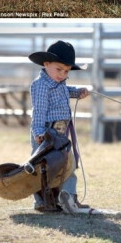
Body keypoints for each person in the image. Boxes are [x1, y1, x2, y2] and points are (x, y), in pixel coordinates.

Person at [28, 39, 93, 214]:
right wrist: (39, 132)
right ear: (46, 63)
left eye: (66, 71)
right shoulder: (40, 86)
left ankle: (67, 197)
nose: (62, 74)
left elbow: (65, 90)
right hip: (46, 132)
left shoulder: (58, 82)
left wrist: (78, 91)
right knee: (43, 167)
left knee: (67, 164)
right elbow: (38, 111)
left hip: (61, 132)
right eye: (59, 69)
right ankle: (43, 201)